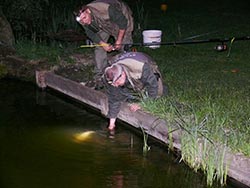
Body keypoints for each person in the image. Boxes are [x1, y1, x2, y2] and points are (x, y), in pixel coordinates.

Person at [74, 0, 134, 83]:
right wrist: (103, 44)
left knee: (124, 45)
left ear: (88, 11)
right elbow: (90, 33)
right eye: (81, 21)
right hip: (102, 23)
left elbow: (123, 23)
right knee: (99, 46)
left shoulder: (105, 9)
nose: (84, 22)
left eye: (85, 18)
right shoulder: (81, 18)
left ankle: (129, 72)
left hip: (121, 15)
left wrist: (119, 40)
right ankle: (99, 75)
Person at [103, 52, 165, 131]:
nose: (115, 85)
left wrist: (142, 104)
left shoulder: (141, 68)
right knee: (120, 93)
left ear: (122, 74)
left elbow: (153, 86)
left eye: (117, 82)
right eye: (113, 83)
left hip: (148, 66)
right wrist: (111, 124)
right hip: (129, 72)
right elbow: (114, 100)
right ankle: (134, 89)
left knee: (158, 94)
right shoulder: (111, 76)